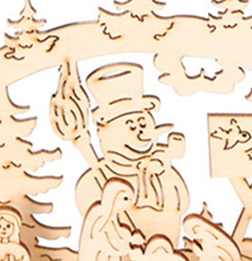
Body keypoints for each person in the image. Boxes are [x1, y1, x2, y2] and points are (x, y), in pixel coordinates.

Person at [77, 63, 188, 244]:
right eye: (131, 126)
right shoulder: (96, 179)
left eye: (143, 124)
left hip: (167, 252)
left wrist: (167, 166)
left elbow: (182, 204)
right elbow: (92, 220)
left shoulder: (160, 171)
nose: (141, 133)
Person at [77, 179, 143, 261]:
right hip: (100, 258)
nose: (130, 203)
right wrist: (128, 249)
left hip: (109, 257)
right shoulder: (100, 216)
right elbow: (107, 241)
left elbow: (117, 232)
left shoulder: (111, 215)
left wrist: (131, 238)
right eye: (125, 199)